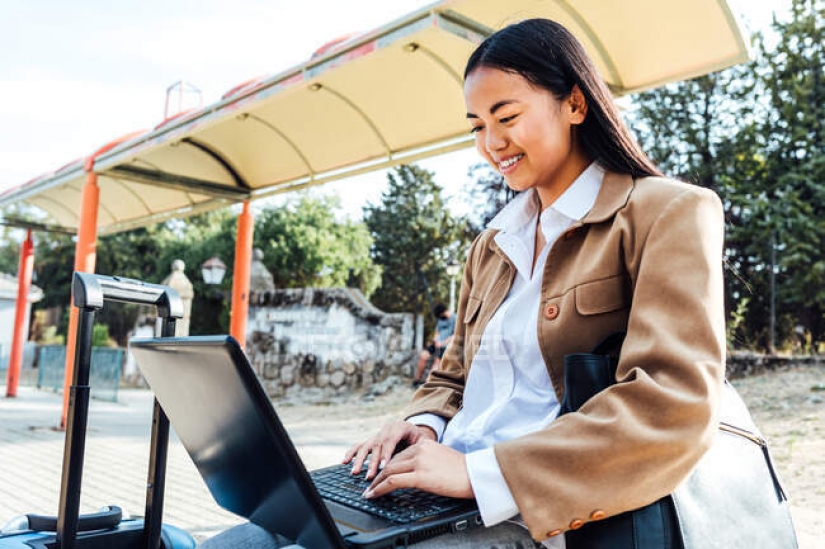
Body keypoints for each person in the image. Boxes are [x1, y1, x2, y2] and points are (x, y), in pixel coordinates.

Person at [202, 17, 725, 549]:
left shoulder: (667, 213)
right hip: (436, 494)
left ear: (574, 103)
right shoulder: (493, 245)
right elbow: (454, 374)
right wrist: (423, 424)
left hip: (535, 516)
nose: (491, 143)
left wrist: (479, 474)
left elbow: (674, 403)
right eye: (476, 126)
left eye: (507, 117)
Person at [413, 303, 456, 386]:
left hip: (446, 346)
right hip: (436, 344)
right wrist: (435, 340)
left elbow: (455, 335)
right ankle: (417, 381)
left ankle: (427, 384)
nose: (440, 317)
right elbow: (437, 332)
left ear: (443, 312)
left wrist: (442, 343)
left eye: (440, 315)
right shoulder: (441, 319)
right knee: (423, 355)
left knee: (436, 363)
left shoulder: (455, 318)